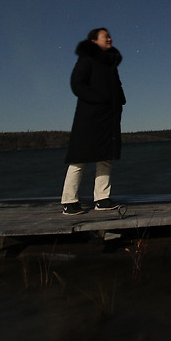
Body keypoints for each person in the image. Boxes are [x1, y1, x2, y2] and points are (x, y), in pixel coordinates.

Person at [61, 27, 126, 214]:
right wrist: (97, 100)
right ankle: (69, 201)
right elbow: (77, 84)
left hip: (109, 116)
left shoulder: (109, 62)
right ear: (93, 41)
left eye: (110, 36)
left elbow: (116, 85)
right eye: (106, 37)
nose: (110, 39)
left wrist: (120, 100)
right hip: (89, 116)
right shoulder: (87, 59)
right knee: (79, 159)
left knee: (106, 157)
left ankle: (102, 199)